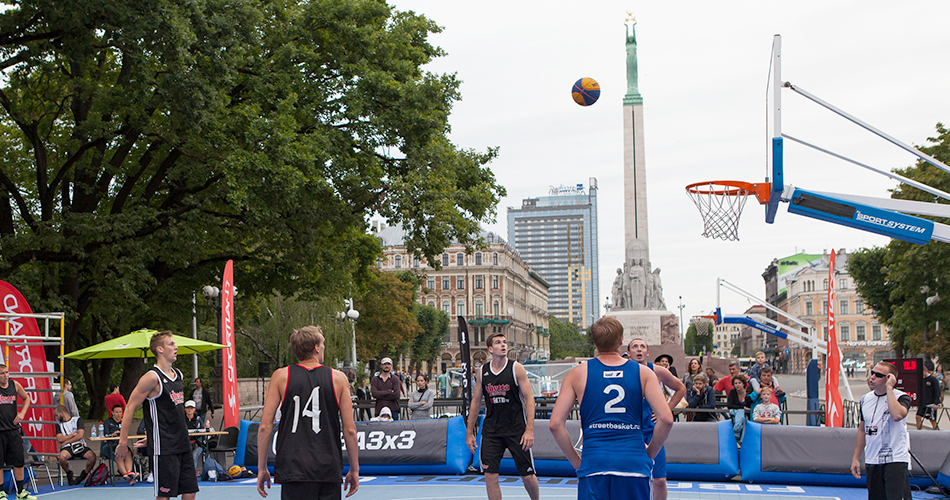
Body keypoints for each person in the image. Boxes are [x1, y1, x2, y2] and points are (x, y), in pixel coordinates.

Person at [549, 317, 673, 500]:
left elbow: (555, 424)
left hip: (594, 462)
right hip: (633, 462)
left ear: (594, 342)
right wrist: (650, 453)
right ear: (622, 341)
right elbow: (667, 419)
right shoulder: (644, 372)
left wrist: (576, 462)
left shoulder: (578, 373)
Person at [256, 325, 359, 499]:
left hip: (293, 464)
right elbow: (349, 429)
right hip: (327, 464)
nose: (324, 347)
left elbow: (265, 426)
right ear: (316, 348)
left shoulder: (281, 376)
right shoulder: (338, 378)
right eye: (323, 343)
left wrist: (261, 467)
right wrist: (355, 469)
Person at [116, 331, 198, 500]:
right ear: (160, 349)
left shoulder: (178, 375)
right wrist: (123, 443)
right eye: (171, 344)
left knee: (190, 492)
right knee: (164, 494)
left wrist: (151, 434)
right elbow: (130, 407)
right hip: (165, 447)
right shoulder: (152, 378)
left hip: (183, 441)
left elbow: (171, 411)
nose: (176, 347)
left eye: (175, 344)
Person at [466, 332, 538, 500]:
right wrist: (470, 432)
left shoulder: (516, 368)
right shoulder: (482, 372)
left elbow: (529, 398)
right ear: (490, 349)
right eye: (498, 342)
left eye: (505, 342)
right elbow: (476, 402)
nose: (503, 345)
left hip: (516, 429)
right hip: (492, 431)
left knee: (527, 476)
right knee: (490, 476)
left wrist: (529, 430)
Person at [627, 338, 686, 500]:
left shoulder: (657, 371)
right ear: (628, 352)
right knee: (632, 478)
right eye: (635, 346)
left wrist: (666, 408)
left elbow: (681, 388)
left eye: (642, 346)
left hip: (653, 431)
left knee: (659, 479)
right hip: (631, 432)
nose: (638, 349)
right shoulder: (623, 371)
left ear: (647, 352)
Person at [851, 362, 912, 500]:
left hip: (895, 459)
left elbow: (897, 415)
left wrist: (889, 388)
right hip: (873, 459)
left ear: (889, 378)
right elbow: (862, 430)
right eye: (872, 373)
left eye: (878, 375)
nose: (872, 377)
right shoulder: (865, 399)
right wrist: (856, 458)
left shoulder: (902, 397)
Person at [0, 364, 37, 499]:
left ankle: (21, 492)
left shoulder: (14, 385)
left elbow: (27, 398)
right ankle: (1, 492)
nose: (5, 376)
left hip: (13, 430)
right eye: (2, 373)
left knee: (18, 461)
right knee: (0, 462)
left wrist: (22, 413)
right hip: (0, 431)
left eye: (6, 372)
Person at [54, 405, 97, 487]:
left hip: (79, 445)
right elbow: (59, 438)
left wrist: (67, 441)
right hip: (67, 448)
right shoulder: (59, 425)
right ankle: (68, 473)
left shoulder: (77, 420)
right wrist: (72, 435)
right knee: (62, 457)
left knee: (92, 456)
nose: (56, 417)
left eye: (57, 415)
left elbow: (80, 435)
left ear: (62, 413)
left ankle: (84, 473)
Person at [102, 404, 138, 484]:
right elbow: (104, 437)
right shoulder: (107, 422)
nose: (118, 414)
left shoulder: (124, 422)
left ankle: (129, 473)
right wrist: (113, 434)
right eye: (116, 412)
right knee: (118, 454)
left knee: (128, 453)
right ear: (112, 413)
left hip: (121, 444)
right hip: (109, 446)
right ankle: (127, 475)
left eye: (120, 412)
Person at [726, 375, 753, 444]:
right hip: (735, 415)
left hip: (748, 416)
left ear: (743, 384)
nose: (737, 385)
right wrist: (742, 407)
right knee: (741, 413)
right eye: (736, 383)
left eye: (739, 383)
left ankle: (737, 435)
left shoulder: (749, 393)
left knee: (744, 419)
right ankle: (739, 438)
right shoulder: (732, 392)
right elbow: (729, 405)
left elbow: (750, 406)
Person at [916, 360, 940, 430]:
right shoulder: (921, 380)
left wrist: (936, 403)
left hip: (931, 403)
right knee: (918, 417)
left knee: (932, 420)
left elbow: (937, 391)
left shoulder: (933, 379)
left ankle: (937, 432)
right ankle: (919, 431)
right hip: (923, 403)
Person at [183, 401, 204, 468]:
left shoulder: (198, 419)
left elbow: (202, 432)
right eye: (188, 408)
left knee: (194, 456)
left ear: (194, 409)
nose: (190, 410)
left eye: (191, 408)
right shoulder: (181, 419)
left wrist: (197, 442)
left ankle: (192, 474)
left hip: (197, 444)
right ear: (185, 409)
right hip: (185, 443)